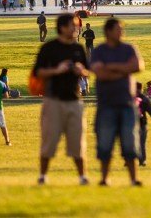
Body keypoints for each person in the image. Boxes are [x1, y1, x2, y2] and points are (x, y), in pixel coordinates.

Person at [33, 12, 91, 185]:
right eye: (73, 25)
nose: (76, 28)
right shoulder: (49, 48)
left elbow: (88, 71)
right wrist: (57, 70)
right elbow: (38, 72)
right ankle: (43, 176)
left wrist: (81, 71)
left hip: (74, 101)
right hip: (53, 100)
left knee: (78, 141)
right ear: (63, 28)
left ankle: (83, 177)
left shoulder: (78, 48)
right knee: (49, 141)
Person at [89, 17, 144, 186]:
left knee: (130, 142)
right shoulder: (99, 51)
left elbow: (138, 66)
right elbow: (100, 73)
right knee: (105, 143)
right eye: (118, 29)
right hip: (107, 104)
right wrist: (124, 69)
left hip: (127, 104)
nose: (122, 32)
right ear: (108, 31)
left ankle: (134, 179)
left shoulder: (129, 48)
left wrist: (111, 67)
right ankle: (105, 179)